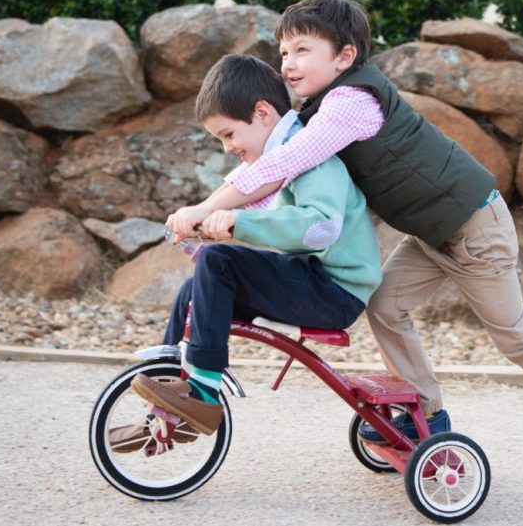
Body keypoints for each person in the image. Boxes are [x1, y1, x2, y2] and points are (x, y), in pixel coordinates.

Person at [166, 0, 523, 496]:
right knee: (385, 303)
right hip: (434, 234)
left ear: (345, 57)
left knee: (516, 339)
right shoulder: (317, 112)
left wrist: (207, 213)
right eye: (284, 52)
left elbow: (277, 168)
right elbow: (264, 178)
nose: (289, 63)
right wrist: (207, 217)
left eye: (303, 50)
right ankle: (428, 420)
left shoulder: (351, 104)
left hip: (475, 227)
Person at [131, 54, 382, 436]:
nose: (227, 148)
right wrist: (202, 219)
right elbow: (239, 190)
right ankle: (165, 393)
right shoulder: (278, 157)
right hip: (311, 279)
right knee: (195, 288)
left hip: (336, 292)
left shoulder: (310, 156)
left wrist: (237, 223)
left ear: (263, 113)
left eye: (228, 135)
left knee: (218, 262)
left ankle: (202, 391)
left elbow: (319, 228)